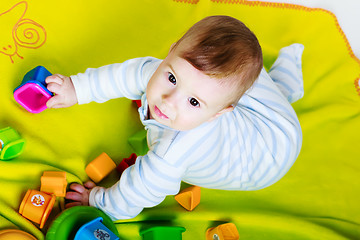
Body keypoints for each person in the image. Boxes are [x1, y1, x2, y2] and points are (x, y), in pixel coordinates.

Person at [45, 15, 304, 220]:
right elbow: (121, 76)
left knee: (249, 79)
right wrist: (75, 89)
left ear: (219, 113)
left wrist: (96, 201)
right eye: (172, 78)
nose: (168, 101)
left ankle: (288, 84)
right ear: (173, 49)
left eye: (193, 102)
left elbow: (134, 194)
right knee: (235, 75)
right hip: (250, 110)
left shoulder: (174, 150)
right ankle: (281, 86)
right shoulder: (161, 71)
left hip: (269, 154)